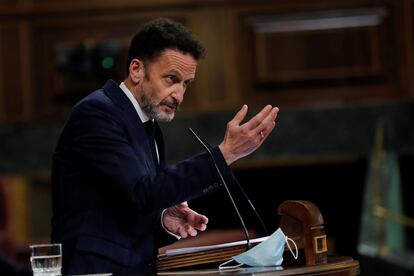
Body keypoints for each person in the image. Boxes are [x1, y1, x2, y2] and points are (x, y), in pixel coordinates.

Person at [51, 17, 279, 275]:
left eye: (185, 84)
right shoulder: (97, 113)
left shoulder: (149, 125)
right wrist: (225, 153)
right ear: (137, 70)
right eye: (171, 79)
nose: (179, 95)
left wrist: (163, 222)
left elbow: (129, 206)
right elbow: (144, 192)